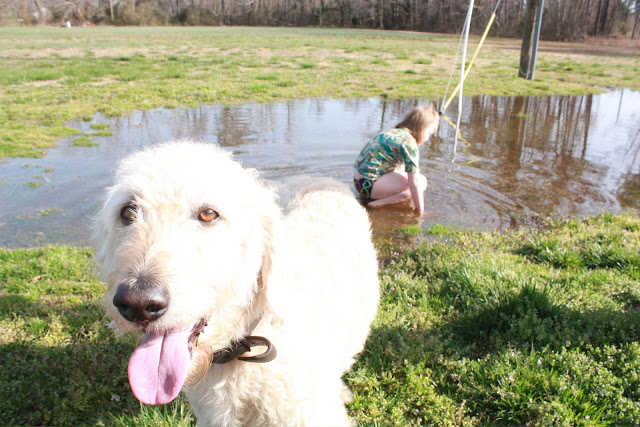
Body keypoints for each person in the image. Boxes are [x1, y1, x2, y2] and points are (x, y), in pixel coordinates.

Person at [353, 103, 440, 213]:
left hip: (358, 182)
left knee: (403, 172)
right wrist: (420, 211)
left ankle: (371, 197)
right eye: (429, 133)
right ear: (421, 128)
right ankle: (377, 203)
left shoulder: (390, 132)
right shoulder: (409, 142)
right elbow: (414, 181)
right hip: (370, 185)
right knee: (421, 182)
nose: (427, 139)